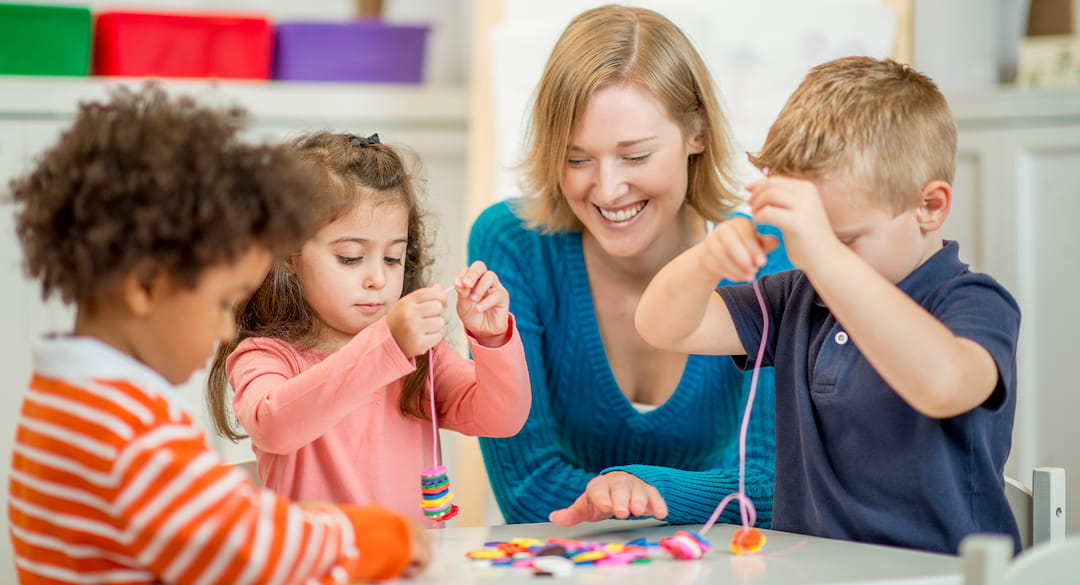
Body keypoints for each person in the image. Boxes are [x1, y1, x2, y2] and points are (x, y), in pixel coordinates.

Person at [7, 85, 429, 584]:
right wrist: (382, 535)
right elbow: (256, 553)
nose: (228, 326)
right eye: (224, 302)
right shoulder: (132, 436)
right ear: (145, 287)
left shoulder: (62, 400)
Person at [636, 56, 1022, 554]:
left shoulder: (974, 301)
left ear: (929, 207)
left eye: (843, 239)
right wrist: (707, 259)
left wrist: (821, 251)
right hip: (816, 571)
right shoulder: (801, 295)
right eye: (812, 241)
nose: (820, 260)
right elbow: (661, 327)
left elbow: (943, 385)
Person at [468, 4, 793, 527]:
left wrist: (646, 491)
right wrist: (680, 499)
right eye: (577, 159)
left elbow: (778, 485)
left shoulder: (767, 254)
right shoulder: (512, 243)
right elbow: (528, 490)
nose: (608, 188)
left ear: (698, 133)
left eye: (635, 155)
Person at [206, 131, 531, 528]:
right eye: (351, 258)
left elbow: (504, 419)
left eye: (393, 258)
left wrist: (492, 338)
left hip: (415, 567)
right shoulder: (266, 356)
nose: (377, 277)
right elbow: (274, 426)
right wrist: (386, 345)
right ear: (288, 255)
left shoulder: (420, 355)